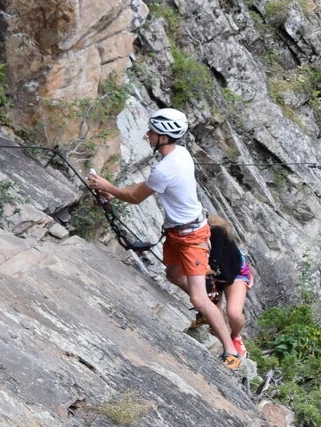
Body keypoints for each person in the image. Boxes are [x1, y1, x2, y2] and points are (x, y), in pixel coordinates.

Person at [86, 108, 242, 369]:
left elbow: (137, 198)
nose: (147, 134)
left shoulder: (166, 167)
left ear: (164, 137)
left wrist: (107, 186)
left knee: (198, 299)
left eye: (152, 131)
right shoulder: (180, 155)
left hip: (190, 236)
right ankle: (209, 304)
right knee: (172, 274)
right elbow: (144, 187)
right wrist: (115, 192)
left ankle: (231, 351)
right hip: (179, 231)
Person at [190, 214, 253, 358]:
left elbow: (214, 265)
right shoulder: (192, 234)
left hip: (234, 272)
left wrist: (189, 270)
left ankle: (235, 337)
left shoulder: (216, 232)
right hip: (214, 275)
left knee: (234, 314)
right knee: (214, 314)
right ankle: (223, 338)